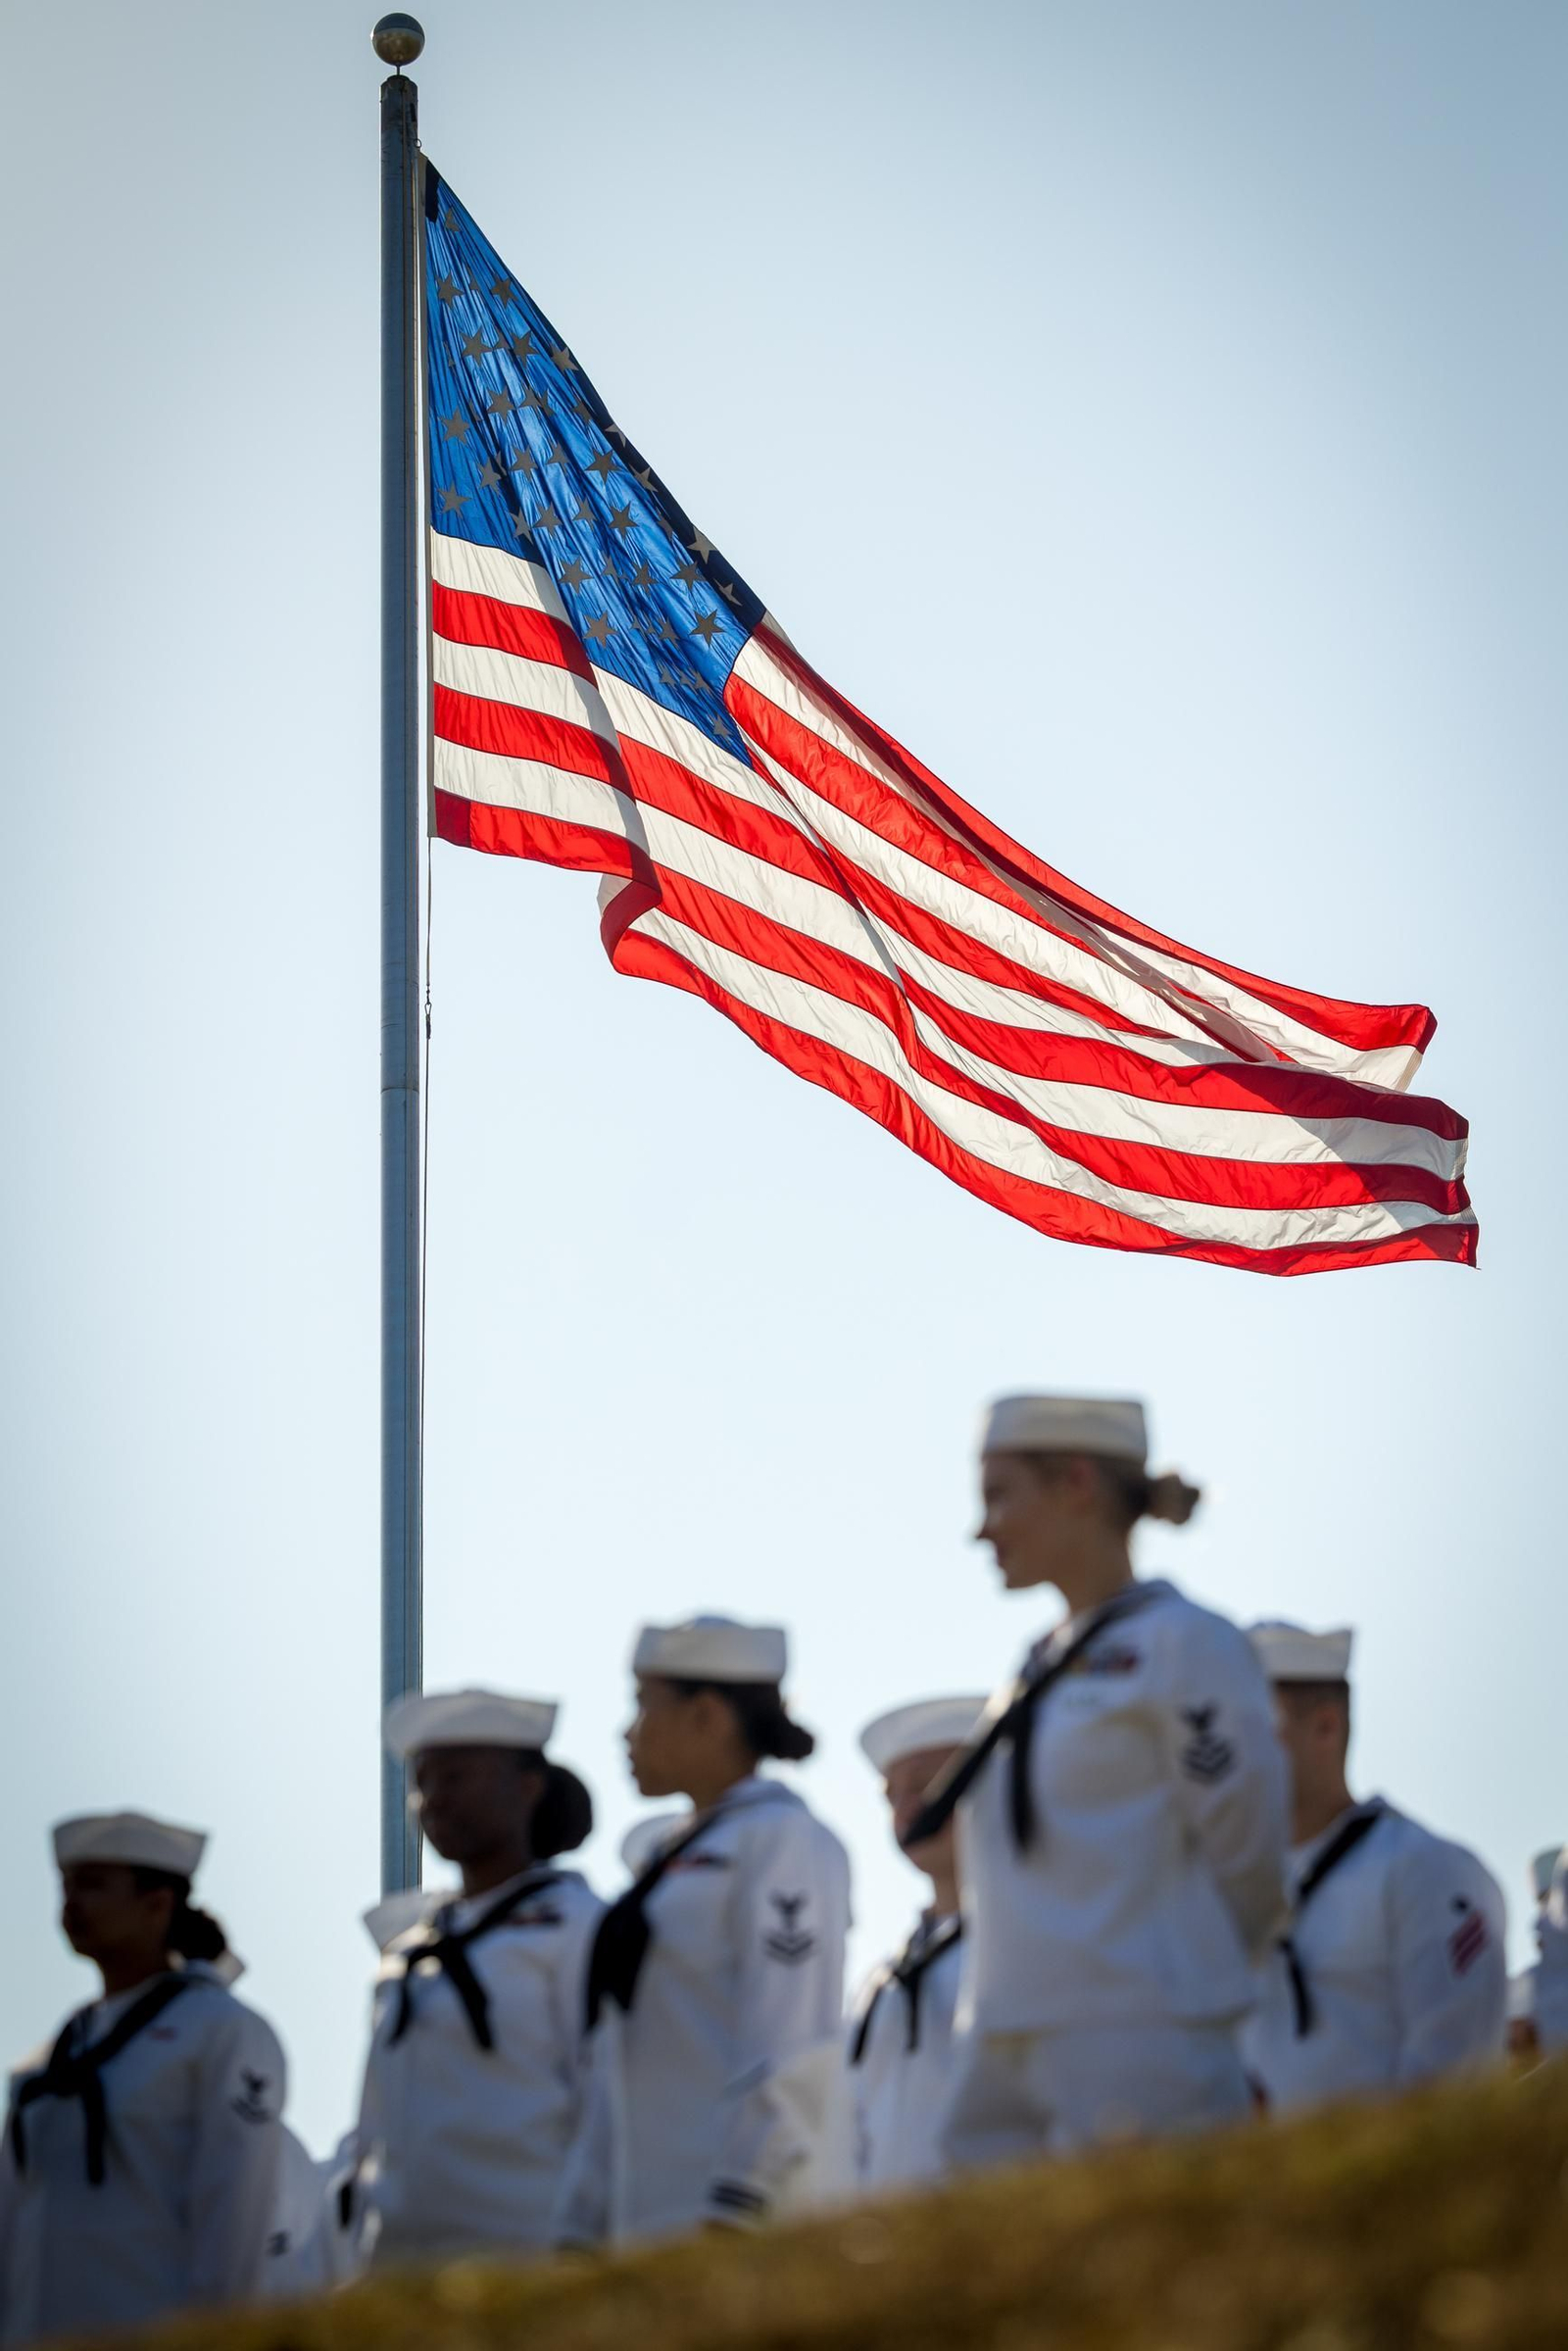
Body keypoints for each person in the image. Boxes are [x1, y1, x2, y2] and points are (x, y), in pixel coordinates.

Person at [909, 1395, 1288, 2169]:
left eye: (999, 1495)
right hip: (1009, 2022)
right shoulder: (1034, 1664)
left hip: (1142, 2022)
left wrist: (1190, 1973)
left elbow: (1246, 1843)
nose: (983, 1529)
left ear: (1076, 1482)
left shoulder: (1185, 1643)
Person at [558, 1615, 852, 2244]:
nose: (627, 1732)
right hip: (643, 2223)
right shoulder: (666, 1863)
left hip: (737, 2225)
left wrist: (742, 2200)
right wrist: (582, 2220)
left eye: (644, 1706)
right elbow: (620, 2058)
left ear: (708, 1717)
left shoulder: (783, 1841)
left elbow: (792, 2040)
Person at [0, 1811, 285, 2346]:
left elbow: (234, 2213)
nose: (70, 1904)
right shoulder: (50, 2056)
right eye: (65, 1886)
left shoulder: (220, 2030)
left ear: (157, 1905)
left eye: (93, 1886)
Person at [347, 1688, 602, 2268]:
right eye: (422, 1783)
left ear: (527, 1787)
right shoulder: (408, 1956)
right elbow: (375, 2129)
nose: (435, 1800)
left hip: (530, 2261)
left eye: (457, 1778)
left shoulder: (579, 1928)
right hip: (401, 2271)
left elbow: (609, 2101)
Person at [1241, 1623, 1507, 2111]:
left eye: (1254, 1725)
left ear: (1325, 1727)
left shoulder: (1425, 1869)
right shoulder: (1225, 1891)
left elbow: (1455, 2089)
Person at [848, 1695, 985, 2194]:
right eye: (892, 1796)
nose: (907, 1811)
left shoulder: (1048, 1946)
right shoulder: (880, 1982)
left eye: (929, 1786)